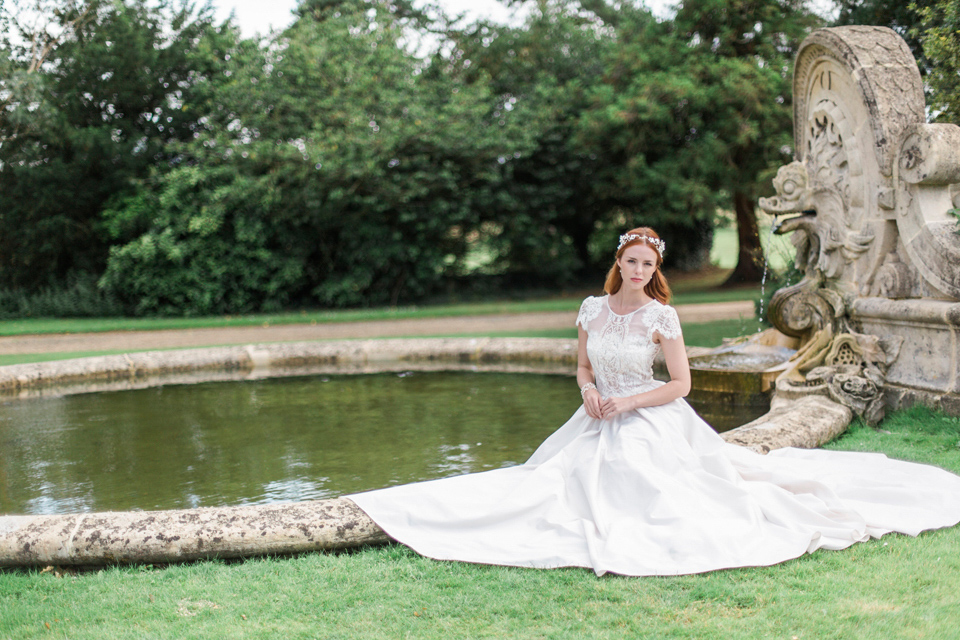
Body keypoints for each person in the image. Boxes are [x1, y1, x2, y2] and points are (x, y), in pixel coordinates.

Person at [348, 227, 960, 576]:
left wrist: (628, 404)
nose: (638, 269)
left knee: (645, 488)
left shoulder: (662, 316)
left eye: (648, 263)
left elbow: (681, 386)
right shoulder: (592, 308)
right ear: (618, 263)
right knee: (547, 483)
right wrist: (590, 392)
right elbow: (583, 363)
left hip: (649, 417)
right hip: (594, 414)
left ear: (654, 269)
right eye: (630, 261)